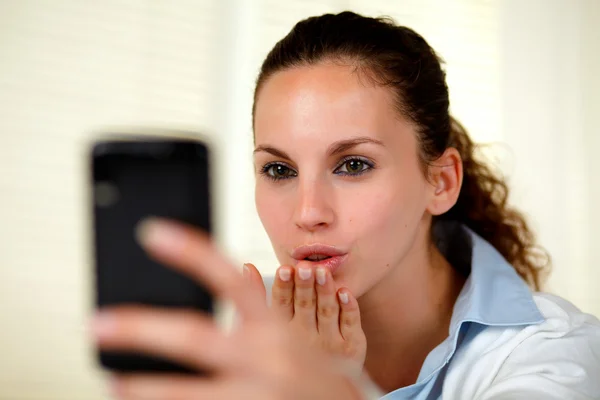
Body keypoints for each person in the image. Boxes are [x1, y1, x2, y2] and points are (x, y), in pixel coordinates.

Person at [92, 11, 600, 399]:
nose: (308, 212)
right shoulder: (230, 341)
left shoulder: (554, 355)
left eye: (353, 165)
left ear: (440, 181)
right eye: (280, 170)